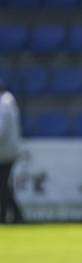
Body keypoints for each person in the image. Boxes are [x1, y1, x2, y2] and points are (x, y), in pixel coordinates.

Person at [0, 77, 23, 224]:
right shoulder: (9, 101)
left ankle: (8, 215)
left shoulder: (3, 104)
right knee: (4, 185)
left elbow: (1, 131)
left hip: (4, 152)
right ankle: (14, 215)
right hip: (10, 151)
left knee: (2, 186)